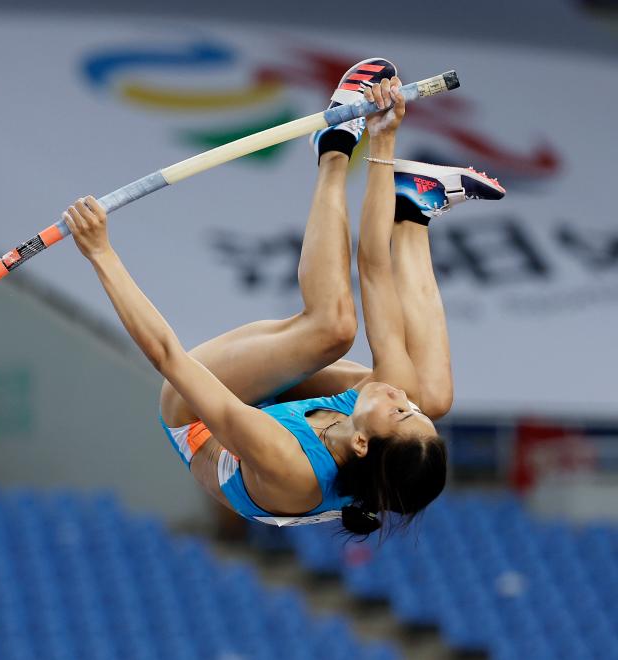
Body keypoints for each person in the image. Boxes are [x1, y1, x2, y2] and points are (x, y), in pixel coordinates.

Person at [62, 59, 505, 536]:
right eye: (412, 412)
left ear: (360, 445)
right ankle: (412, 206)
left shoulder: (290, 469)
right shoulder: (385, 418)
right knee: (435, 391)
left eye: (401, 412)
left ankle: (333, 147)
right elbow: (374, 268)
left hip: (200, 414)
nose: (404, 398)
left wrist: (101, 253)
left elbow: (169, 357)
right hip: (299, 415)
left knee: (332, 330)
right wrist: (383, 138)